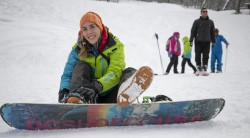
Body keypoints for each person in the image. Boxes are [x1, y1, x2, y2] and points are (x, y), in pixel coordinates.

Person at [58, 11, 137, 104]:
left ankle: (124, 97)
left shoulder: (115, 46)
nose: (89, 32)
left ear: (100, 27)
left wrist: (97, 86)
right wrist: (64, 90)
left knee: (131, 72)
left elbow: (115, 72)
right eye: (85, 29)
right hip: (89, 98)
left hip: (112, 95)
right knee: (80, 66)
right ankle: (76, 100)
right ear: (81, 32)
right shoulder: (77, 50)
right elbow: (68, 73)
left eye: (92, 26)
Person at [190, 8, 215, 75]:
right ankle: (198, 68)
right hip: (198, 42)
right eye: (203, 12)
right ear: (201, 13)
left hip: (207, 42)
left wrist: (213, 41)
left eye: (206, 12)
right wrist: (191, 40)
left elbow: (212, 32)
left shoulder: (211, 22)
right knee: (197, 55)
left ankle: (204, 69)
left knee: (206, 56)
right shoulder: (196, 22)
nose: (205, 13)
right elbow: (193, 31)